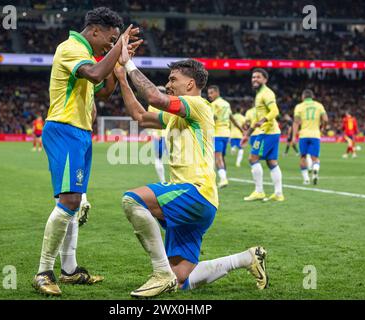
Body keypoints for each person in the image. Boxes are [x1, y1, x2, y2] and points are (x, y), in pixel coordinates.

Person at [115, 54, 268, 298]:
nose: (168, 84)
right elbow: (141, 117)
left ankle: (160, 273)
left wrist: (129, 64)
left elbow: (154, 97)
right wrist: (123, 79)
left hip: (194, 192)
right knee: (180, 279)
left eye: (173, 79)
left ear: (190, 84)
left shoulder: (198, 105)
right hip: (201, 203)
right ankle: (246, 258)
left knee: (132, 200)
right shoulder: (178, 115)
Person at [32, 7, 142, 296]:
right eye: (111, 38)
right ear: (94, 30)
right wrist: (117, 49)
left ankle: (69, 270)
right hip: (64, 129)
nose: (111, 43)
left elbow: (102, 92)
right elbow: (94, 75)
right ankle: (44, 271)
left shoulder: (87, 54)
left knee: (76, 201)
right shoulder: (70, 48)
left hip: (80, 132)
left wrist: (118, 65)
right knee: (69, 200)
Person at [241, 68, 284, 202]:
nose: (255, 79)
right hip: (272, 131)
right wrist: (247, 135)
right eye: (253, 77)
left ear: (265, 80)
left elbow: (275, 111)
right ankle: (278, 194)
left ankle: (259, 191)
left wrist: (263, 120)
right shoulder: (259, 94)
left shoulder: (266, 93)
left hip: (267, 132)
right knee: (271, 162)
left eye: (258, 77)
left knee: (253, 159)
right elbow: (256, 120)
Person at [208, 86, 244, 188]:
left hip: (217, 134)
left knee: (217, 157)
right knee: (221, 157)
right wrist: (241, 130)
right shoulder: (226, 104)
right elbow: (231, 118)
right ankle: (223, 177)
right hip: (226, 134)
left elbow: (212, 119)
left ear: (217, 92)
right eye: (209, 93)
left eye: (211, 93)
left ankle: (223, 179)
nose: (209, 95)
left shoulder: (213, 105)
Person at [292, 90, 328, 185]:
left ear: (303, 97)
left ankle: (306, 179)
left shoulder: (299, 106)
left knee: (303, 157)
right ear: (312, 97)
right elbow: (325, 119)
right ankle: (315, 170)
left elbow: (296, 122)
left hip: (303, 135)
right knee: (315, 158)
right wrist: (323, 128)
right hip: (315, 134)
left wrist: (293, 137)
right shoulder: (319, 105)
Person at [148, 86, 168, 183]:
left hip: (162, 135)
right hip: (167, 135)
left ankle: (163, 181)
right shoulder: (170, 105)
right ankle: (165, 181)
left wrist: (154, 132)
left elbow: (151, 120)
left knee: (158, 158)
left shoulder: (152, 106)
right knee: (173, 158)